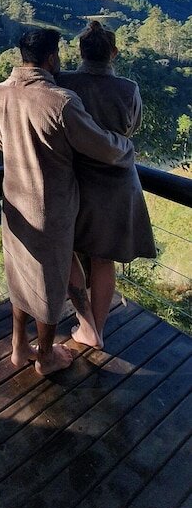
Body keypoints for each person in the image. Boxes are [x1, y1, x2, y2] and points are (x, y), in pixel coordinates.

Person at [0, 28, 134, 376]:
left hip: (14, 200)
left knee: (20, 274)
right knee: (50, 283)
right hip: (50, 205)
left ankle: (19, 347)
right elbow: (99, 145)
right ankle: (46, 359)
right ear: (51, 58)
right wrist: (125, 147)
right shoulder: (60, 101)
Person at [57, 21, 156, 347]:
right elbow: (132, 128)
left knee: (68, 250)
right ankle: (95, 329)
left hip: (75, 182)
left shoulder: (64, 84)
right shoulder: (128, 90)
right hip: (116, 184)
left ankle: (84, 324)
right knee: (103, 260)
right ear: (113, 53)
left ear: (80, 51)